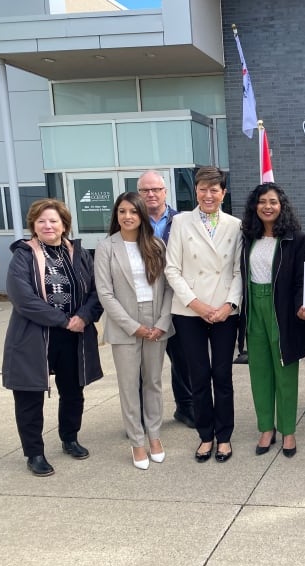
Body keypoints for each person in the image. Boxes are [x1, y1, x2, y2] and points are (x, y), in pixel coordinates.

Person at [2, 199, 103, 477]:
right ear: (33, 225)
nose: (48, 225)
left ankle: (70, 437)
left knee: (73, 390)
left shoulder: (79, 254)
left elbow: (97, 291)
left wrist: (83, 316)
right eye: (41, 221)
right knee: (30, 395)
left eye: (54, 221)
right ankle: (34, 452)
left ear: (64, 225)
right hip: (34, 336)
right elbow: (22, 297)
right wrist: (62, 320)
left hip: (74, 336)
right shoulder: (23, 255)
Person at [164, 166, 242, 463]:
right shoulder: (180, 222)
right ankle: (205, 435)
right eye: (202, 189)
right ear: (195, 190)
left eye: (214, 189)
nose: (208, 195)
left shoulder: (236, 225)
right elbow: (172, 268)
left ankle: (224, 436)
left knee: (222, 375)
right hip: (189, 310)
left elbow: (238, 270)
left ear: (223, 193)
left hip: (224, 311)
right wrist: (195, 304)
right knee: (198, 375)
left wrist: (228, 306)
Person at [94, 192, 173, 470]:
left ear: (142, 215)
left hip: (155, 321)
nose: (128, 216)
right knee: (129, 386)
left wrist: (162, 321)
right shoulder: (106, 247)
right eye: (122, 211)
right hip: (124, 323)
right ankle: (137, 441)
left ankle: (154, 436)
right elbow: (105, 292)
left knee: (152, 382)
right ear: (116, 215)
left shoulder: (156, 245)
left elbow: (167, 288)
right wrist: (132, 326)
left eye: (133, 212)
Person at [241, 183, 305, 458]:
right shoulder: (248, 237)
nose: (267, 206)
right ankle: (265, 428)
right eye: (262, 202)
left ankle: (288, 430)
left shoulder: (296, 238)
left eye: (273, 201)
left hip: (281, 310)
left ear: (281, 206)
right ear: (255, 206)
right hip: (254, 309)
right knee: (259, 371)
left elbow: (300, 278)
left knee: (284, 373)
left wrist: (301, 304)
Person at [137, 170, 195, 428]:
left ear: (165, 192)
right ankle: (141, 415)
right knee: (144, 365)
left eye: (155, 189)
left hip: (180, 299)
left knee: (183, 358)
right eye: (145, 190)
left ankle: (186, 407)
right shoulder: (132, 221)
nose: (151, 194)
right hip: (145, 300)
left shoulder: (182, 221)